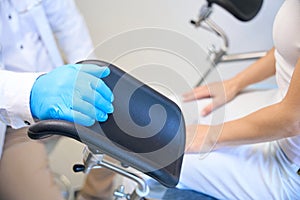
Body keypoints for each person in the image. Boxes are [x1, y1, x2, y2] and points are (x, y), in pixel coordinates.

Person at [180, 0, 300, 199]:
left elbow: (293, 120)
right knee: (181, 108)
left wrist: (209, 137)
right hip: (276, 108)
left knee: (160, 156)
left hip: (288, 166)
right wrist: (233, 84)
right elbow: (290, 45)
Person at [0, 0, 116, 199]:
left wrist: (88, 74)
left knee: (118, 136)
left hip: (57, 82)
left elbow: (67, 22)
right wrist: (32, 92)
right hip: (10, 121)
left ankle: (91, 196)